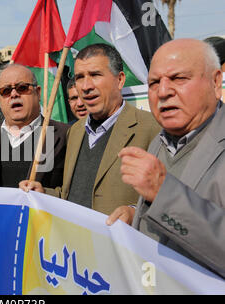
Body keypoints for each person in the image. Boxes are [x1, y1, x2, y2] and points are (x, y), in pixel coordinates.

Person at [107, 39, 225, 278]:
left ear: (215, 82)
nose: (163, 91)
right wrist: (136, 214)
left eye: (179, 78)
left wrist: (163, 195)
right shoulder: (159, 142)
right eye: (153, 83)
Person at [20, 44, 160, 215]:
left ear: (120, 80)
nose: (86, 86)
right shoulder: (75, 131)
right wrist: (43, 194)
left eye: (95, 75)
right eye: (79, 77)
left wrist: (133, 213)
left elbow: (170, 202)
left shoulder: (152, 128)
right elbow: (71, 196)